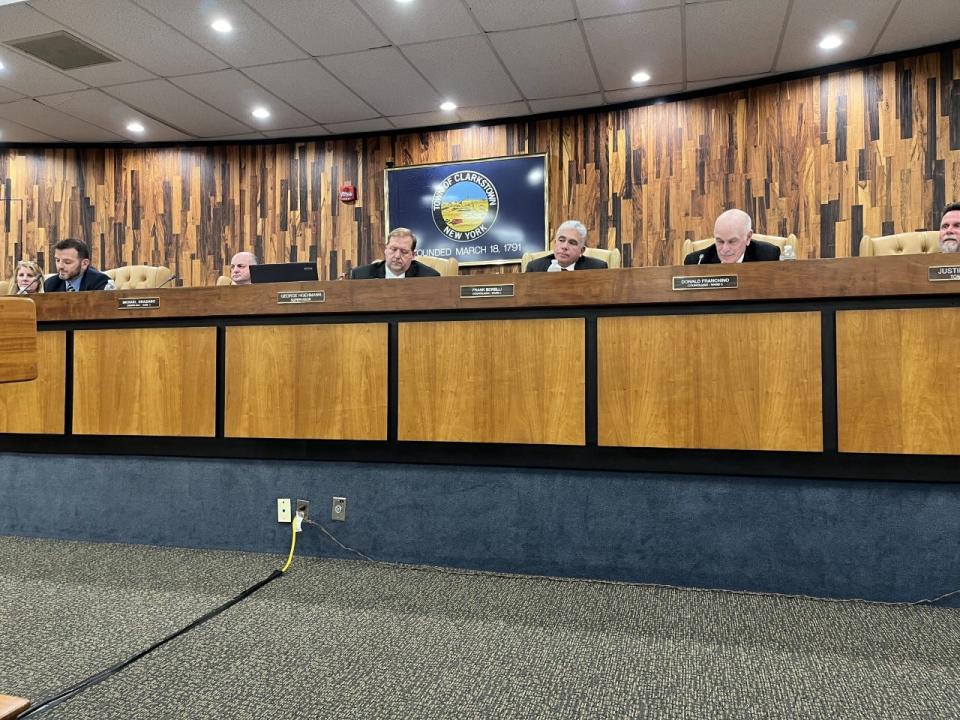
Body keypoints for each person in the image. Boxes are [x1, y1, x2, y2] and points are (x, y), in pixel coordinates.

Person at [684, 209, 781, 264]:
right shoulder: (697, 262)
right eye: (720, 241)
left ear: (748, 237)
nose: (725, 249)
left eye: (732, 241)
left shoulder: (768, 256)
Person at [351, 228, 440, 279]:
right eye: (393, 249)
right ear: (385, 249)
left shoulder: (428, 277)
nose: (397, 256)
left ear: (413, 255)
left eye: (404, 252)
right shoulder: (361, 276)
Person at [525, 220, 608, 272]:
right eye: (561, 240)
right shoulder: (535, 268)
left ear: (582, 251)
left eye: (572, 242)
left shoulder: (597, 268)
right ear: (555, 243)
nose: (564, 246)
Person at [43, 239, 113, 292]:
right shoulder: (50, 284)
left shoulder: (100, 282)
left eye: (67, 262)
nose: (60, 266)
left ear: (84, 264)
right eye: (57, 260)